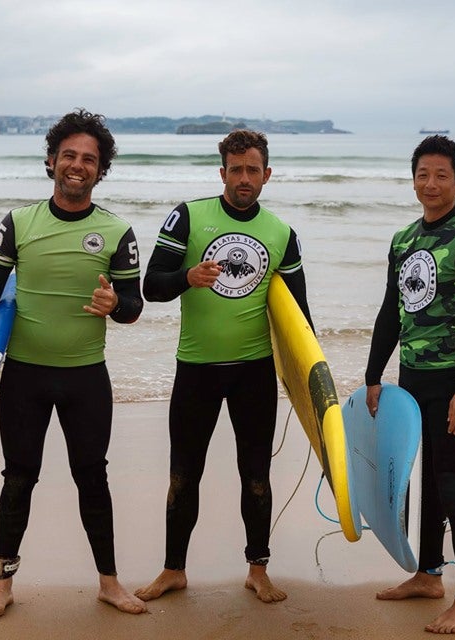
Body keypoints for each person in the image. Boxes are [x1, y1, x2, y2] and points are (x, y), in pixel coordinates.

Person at [0, 109, 147, 619]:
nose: (78, 165)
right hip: (24, 376)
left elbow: (134, 305)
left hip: (86, 377)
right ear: (51, 161)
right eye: (69, 156)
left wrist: (117, 307)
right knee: (19, 476)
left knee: (92, 477)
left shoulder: (117, 231)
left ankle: (109, 581)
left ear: (100, 169)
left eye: (89, 159)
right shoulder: (19, 224)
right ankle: (1, 584)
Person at [135, 129, 312, 604]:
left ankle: (258, 568)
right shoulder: (189, 217)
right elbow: (152, 286)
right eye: (235, 169)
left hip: (253, 372)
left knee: (256, 474)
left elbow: (299, 316)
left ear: (267, 174)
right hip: (197, 369)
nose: (244, 178)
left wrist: (308, 385)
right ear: (222, 173)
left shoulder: (282, 235)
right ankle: (174, 569)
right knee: (183, 475)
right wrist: (188, 276)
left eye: (253, 169)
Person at [363, 135, 455, 634]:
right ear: (413, 178)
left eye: (442, 175)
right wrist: (374, 375)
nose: (431, 183)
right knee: (422, 484)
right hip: (411, 382)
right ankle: (428, 574)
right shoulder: (403, 241)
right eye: (423, 174)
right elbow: (390, 313)